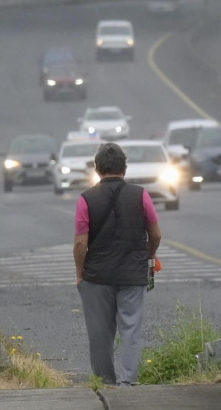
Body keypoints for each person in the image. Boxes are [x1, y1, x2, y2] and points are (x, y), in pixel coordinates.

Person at [73, 142, 163, 386]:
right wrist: (148, 257)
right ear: (124, 168)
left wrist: (80, 274)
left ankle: (106, 382)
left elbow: (81, 244)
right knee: (130, 330)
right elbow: (155, 235)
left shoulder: (86, 199)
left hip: (97, 276)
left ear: (97, 168)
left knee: (100, 334)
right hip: (132, 275)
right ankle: (127, 384)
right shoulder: (140, 195)